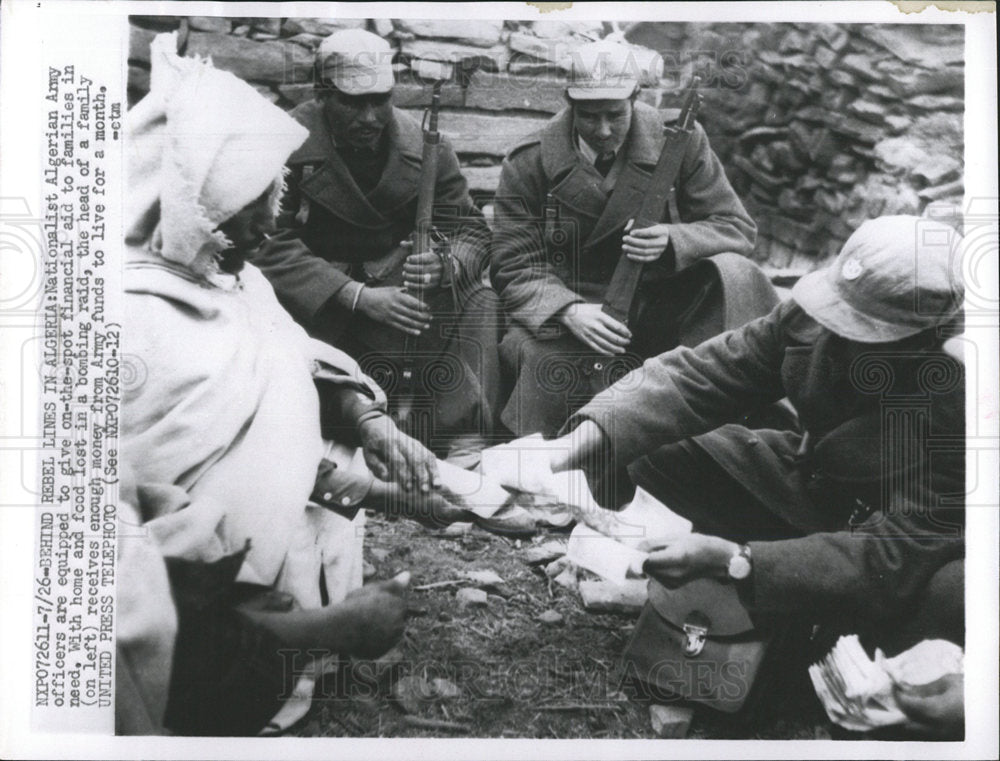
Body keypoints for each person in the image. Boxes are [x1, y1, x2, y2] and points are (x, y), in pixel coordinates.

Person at [121, 33, 466, 734]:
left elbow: (295, 363)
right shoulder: (131, 319)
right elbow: (138, 561)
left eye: (268, 198)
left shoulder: (231, 275)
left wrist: (371, 426)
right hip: (204, 619)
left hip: (284, 561)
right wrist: (331, 625)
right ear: (186, 201)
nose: (264, 224)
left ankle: (299, 663)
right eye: (242, 206)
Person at [548, 215, 966, 652]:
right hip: (813, 482)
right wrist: (585, 437)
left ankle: (809, 620)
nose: (837, 337)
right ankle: (748, 588)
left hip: (894, 540)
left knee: (947, 597)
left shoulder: (966, 396)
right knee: (649, 447)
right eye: (841, 315)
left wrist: (739, 561)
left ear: (923, 337)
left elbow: (894, 553)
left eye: (865, 332)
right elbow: (711, 371)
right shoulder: (818, 313)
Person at [491, 39, 776, 438]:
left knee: (736, 273)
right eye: (589, 117)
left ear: (636, 98)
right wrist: (568, 310)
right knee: (543, 369)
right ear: (570, 103)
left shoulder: (679, 140)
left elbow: (735, 227)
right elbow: (512, 263)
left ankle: (729, 420)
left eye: (615, 114)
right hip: (575, 311)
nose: (604, 130)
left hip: (656, 300)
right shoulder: (531, 161)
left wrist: (674, 239)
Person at [251, 28, 501, 463]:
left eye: (380, 100)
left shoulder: (426, 147)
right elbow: (265, 241)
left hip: (399, 293)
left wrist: (447, 266)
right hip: (317, 302)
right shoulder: (280, 141)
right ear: (322, 95)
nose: (369, 117)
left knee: (480, 298)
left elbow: (471, 230)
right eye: (353, 102)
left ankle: (461, 437)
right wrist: (356, 297)